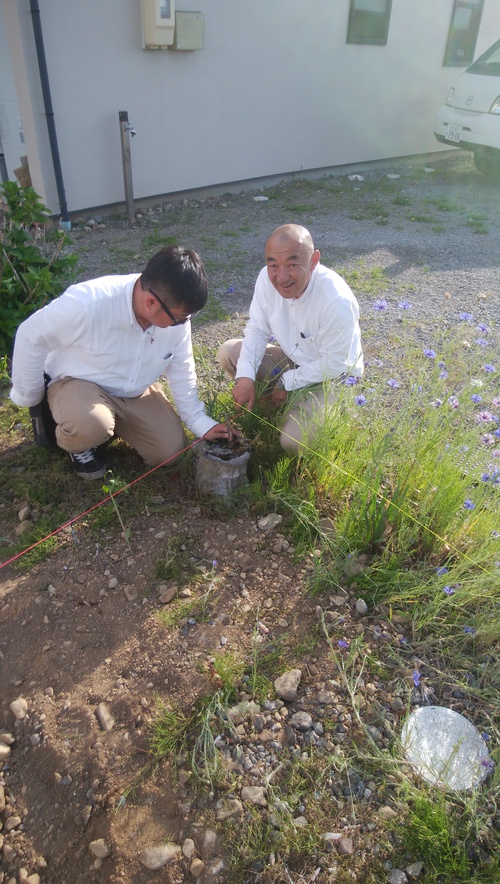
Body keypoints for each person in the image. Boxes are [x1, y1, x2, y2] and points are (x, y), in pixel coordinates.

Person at [10, 245, 235, 479]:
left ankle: (109, 424)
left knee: (170, 452)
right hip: (79, 384)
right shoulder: (87, 303)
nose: (182, 324)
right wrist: (32, 399)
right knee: (89, 425)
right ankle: (80, 441)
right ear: (150, 302)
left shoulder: (175, 315)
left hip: (134, 391)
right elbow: (30, 334)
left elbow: (182, 369)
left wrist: (200, 422)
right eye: (178, 319)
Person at [217, 224, 363, 454]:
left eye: (293, 264)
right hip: (292, 360)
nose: (281, 276)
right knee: (229, 352)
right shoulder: (266, 279)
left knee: (293, 443)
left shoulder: (336, 301)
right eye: (273, 264)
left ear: (314, 261)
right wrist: (245, 377)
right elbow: (256, 329)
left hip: (332, 377)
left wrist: (287, 381)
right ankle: (275, 412)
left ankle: (334, 412)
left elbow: (335, 364)